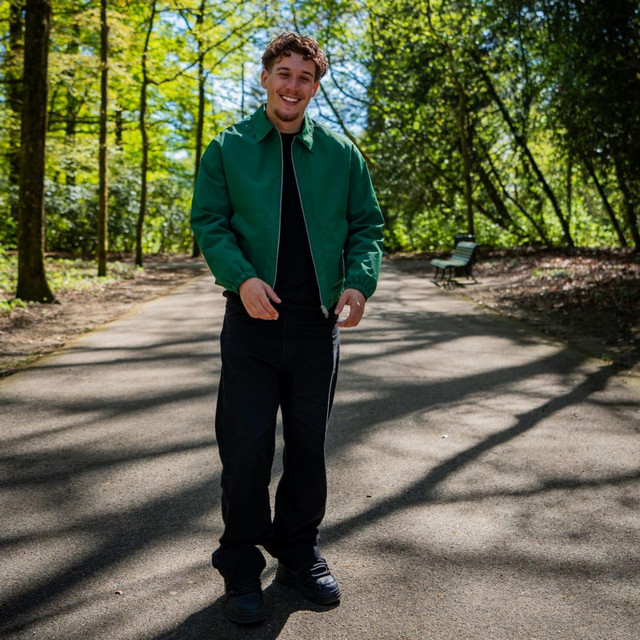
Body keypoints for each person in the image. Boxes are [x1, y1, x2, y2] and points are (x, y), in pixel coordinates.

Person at [190, 32, 384, 624]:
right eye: (284, 73)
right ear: (266, 78)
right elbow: (210, 221)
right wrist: (242, 277)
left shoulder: (341, 154)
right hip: (250, 323)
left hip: (316, 327)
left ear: (315, 87)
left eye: (304, 77)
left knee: (308, 449)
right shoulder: (228, 148)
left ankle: (299, 553)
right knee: (245, 449)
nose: (293, 85)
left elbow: (367, 226)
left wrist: (358, 283)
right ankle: (240, 565)